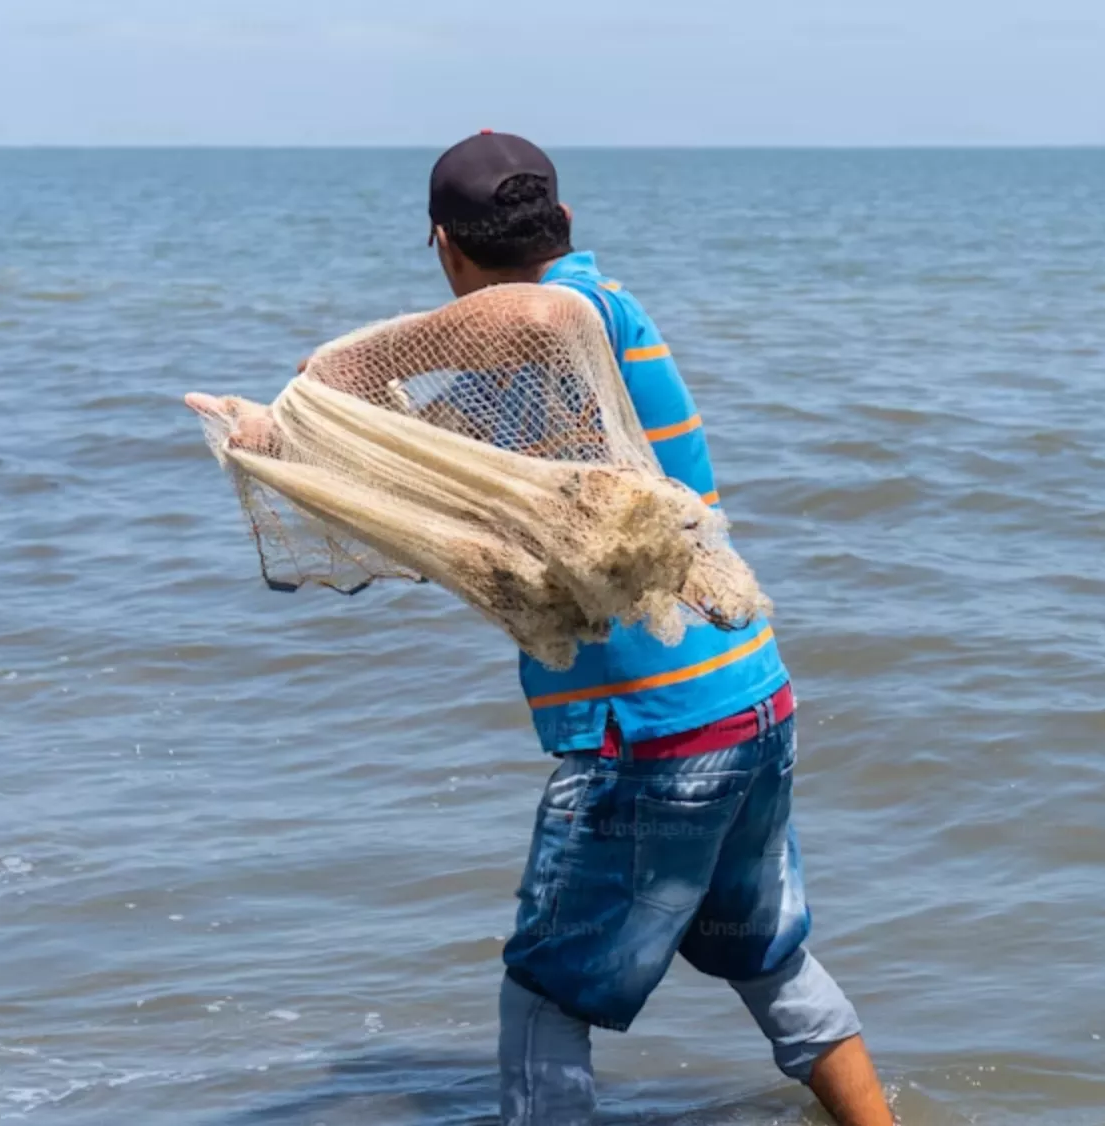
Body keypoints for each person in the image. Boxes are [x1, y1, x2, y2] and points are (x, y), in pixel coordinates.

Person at [208, 131, 895, 1126]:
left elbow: (520, 314)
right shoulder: (514, 388)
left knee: (544, 995)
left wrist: (341, 366)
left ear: (443, 246)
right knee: (765, 952)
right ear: (561, 220)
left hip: (651, 738)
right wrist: (274, 441)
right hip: (749, 706)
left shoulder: (580, 311)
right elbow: (401, 475)